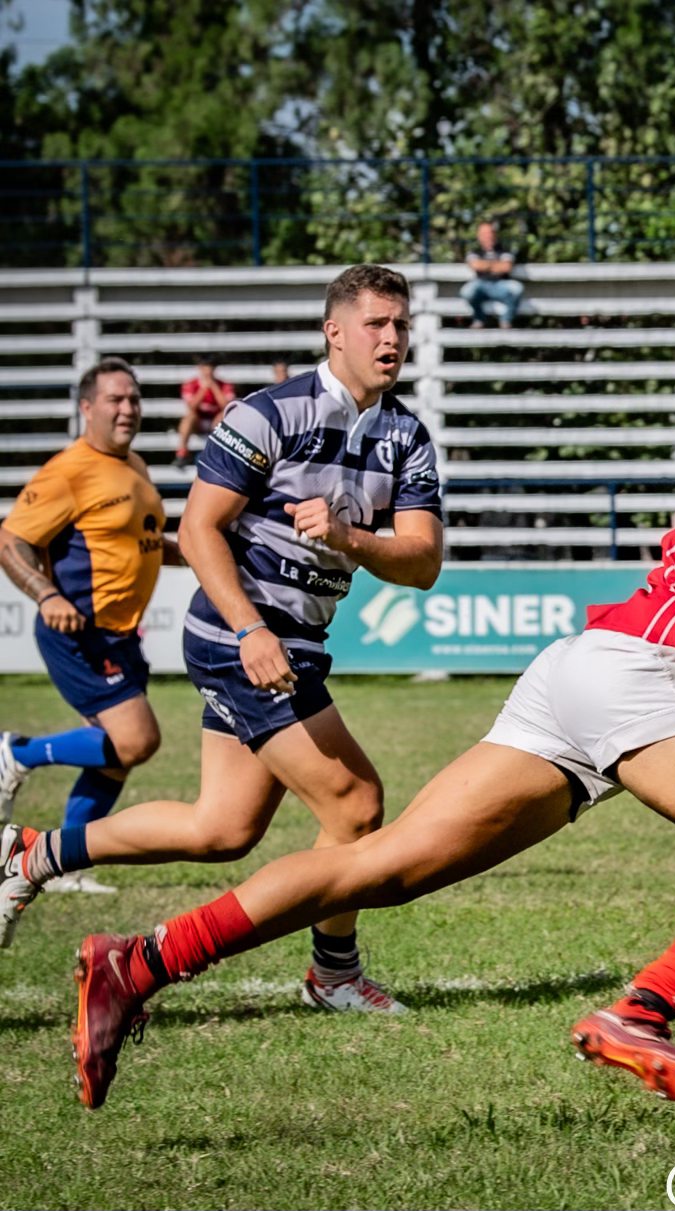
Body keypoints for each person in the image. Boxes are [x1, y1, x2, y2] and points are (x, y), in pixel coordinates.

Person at [57, 352, 675, 1111]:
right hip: (647, 667)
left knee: (385, 866)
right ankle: (639, 1011)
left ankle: (139, 959)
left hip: (592, 677)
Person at [0, 265, 445, 1019]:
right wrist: (249, 629)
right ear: (333, 331)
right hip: (239, 635)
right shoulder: (266, 413)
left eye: (400, 325)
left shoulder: (406, 435)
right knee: (357, 803)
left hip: (297, 637)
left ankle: (34, 853)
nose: (392, 339)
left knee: (222, 828)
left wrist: (347, 535)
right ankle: (333, 973)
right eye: (375, 324)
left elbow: (424, 561)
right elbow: (198, 530)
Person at [0, 359, 182, 897]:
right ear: (87, 408)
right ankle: (17, 752)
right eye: (115, 400)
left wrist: (196, 553)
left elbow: (142, 543)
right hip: (79, 630)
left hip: (121, 635)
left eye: (134, 399)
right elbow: (11, 541)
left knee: (116, 760)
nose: (127, 409)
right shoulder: (70, 469)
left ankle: (62, 866)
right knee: (137, 739)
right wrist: (46, 593)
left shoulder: (135, 467)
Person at [174, 357, 236, 470]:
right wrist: (203, 389)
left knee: (225, 415)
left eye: (210, 368)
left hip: (216, 422)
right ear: (200, 368)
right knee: (189, 417)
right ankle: (182, 453)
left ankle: (222, 455)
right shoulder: (190, 384)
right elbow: (191, 407)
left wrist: (214, 387)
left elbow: (227, 407)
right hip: (198, 422)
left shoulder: (224, 385)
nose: (208, 371)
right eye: (205, 367)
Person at [461, 221, 524, 329]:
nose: (488, 236)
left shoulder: (505, 250)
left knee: (517, 288)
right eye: (484, 234)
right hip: (481, 285)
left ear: (495, 235)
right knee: (467, 291)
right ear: (479, 236)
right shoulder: (474, 252)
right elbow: (475, 265)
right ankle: (479, 318)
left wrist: (485, 265)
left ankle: (506, 320)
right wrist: (495, 265)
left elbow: (506, 267)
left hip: (501, 284)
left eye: (490, 233)